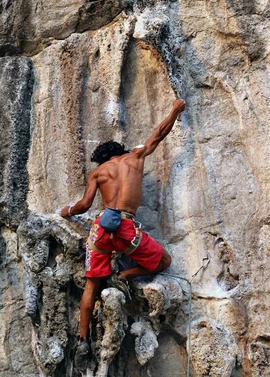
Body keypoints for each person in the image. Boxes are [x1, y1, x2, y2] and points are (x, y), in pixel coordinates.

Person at [59, 98, 186, 368]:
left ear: (103, 158)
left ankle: (82, 341)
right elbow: (158, 134)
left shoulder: (97, 172)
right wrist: (174, 109)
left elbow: (83, 205)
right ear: (121, 151)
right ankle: (122, 275)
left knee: (91, 285)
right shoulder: (135, 157)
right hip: (126, 229)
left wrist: (66, 211)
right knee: (164, 261)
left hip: (101, 230)